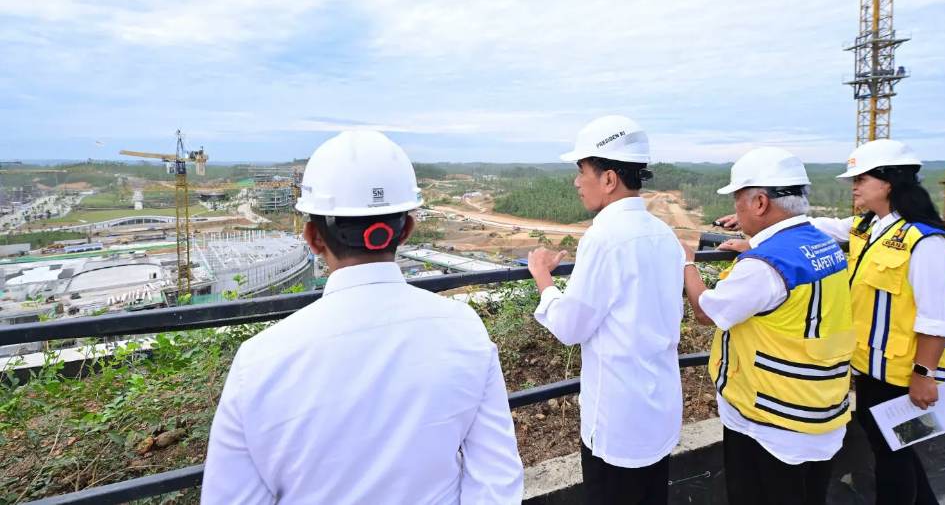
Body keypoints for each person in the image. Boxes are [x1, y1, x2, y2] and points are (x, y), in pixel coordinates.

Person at [202, 130, 523, 504]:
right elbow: (496, 481)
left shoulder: (258, 363)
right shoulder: (464, 330)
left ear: (312, 236)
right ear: (406, 230)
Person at [682, 147, 854, 505]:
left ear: (760, 202)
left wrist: (687, 264)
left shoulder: (764, 266)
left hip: (772, 421)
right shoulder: (823, 242)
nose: (737, 210)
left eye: (739, 201)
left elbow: (706, 311)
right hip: (820, 408)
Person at [527, 115, 684, 504]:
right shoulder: (664, 234)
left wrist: (542, 277)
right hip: (658, 409)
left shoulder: (604, 238)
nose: (577, 182)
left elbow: (569, 325)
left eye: (582, 171)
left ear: (609, 178)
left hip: (618, 422)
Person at [815, 139, 945, 505]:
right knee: (897, 448)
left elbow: (936, 317)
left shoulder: (925, 241)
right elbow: (822, 227)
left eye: (861, 178)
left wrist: (924, 375)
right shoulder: (871, 227)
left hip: (904, 375)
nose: (855, 186)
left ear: (888, 182)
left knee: (892, 456)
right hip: (872, 368)